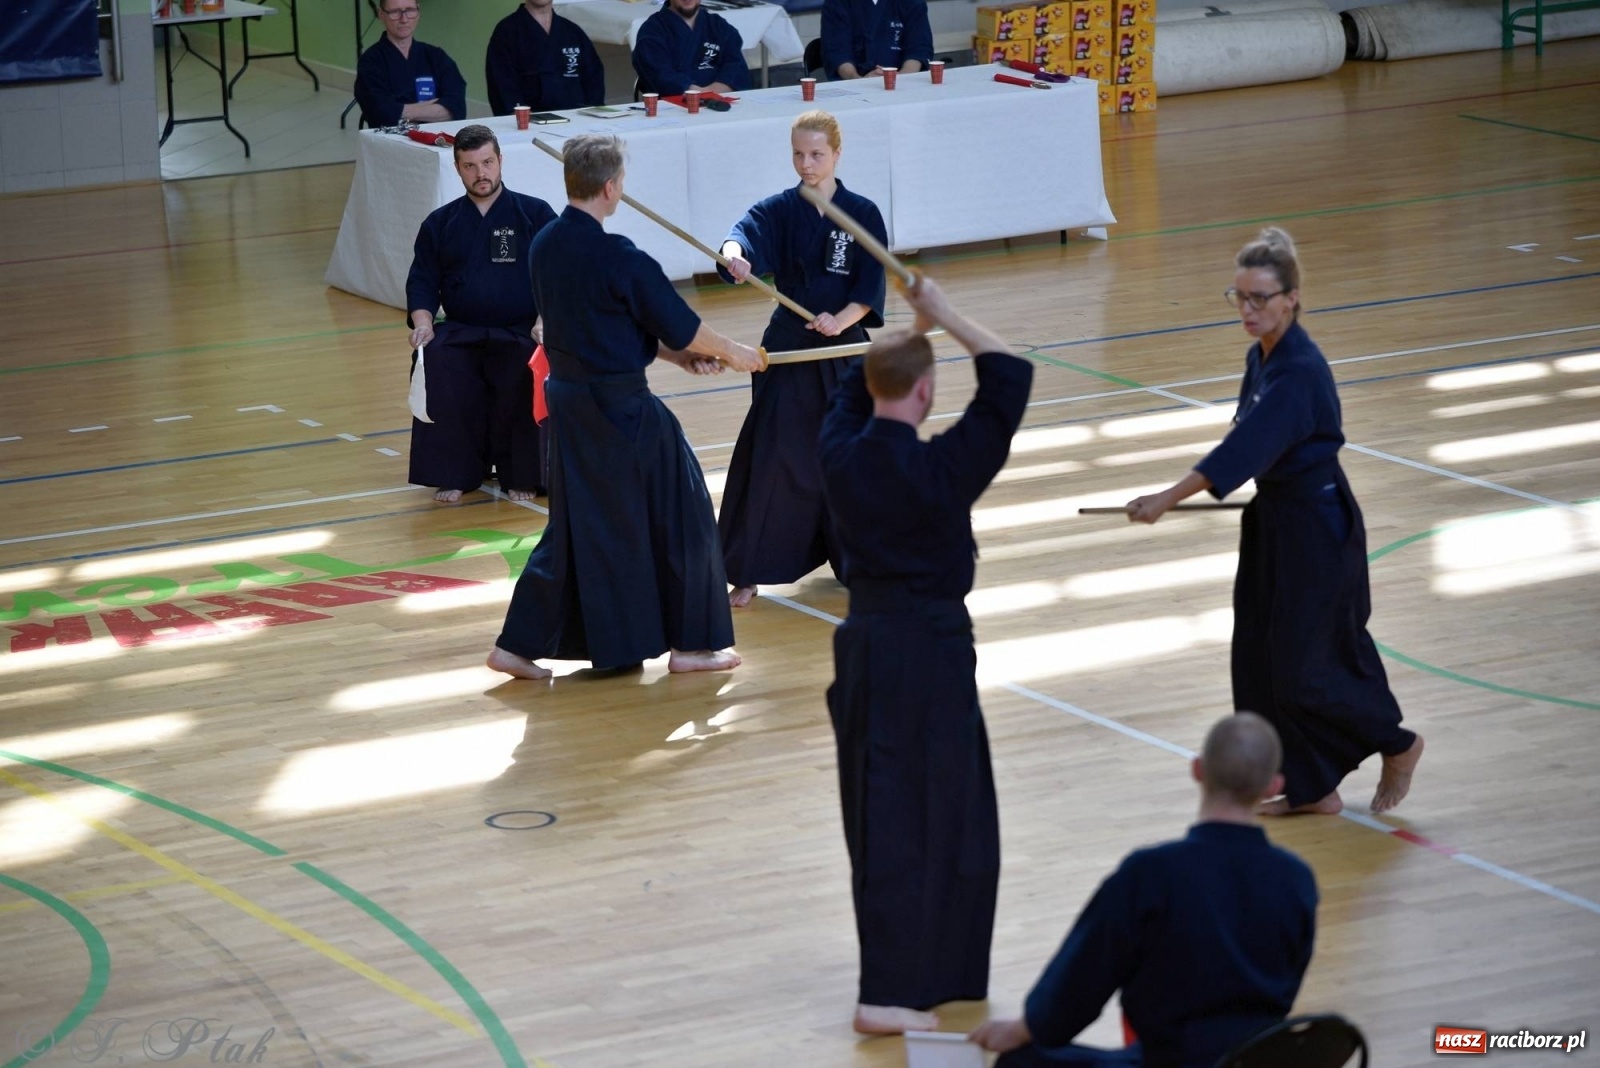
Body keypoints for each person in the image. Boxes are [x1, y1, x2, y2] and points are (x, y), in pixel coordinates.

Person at [1126, 228, 1424, 817]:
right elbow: (1243, 437)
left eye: (1260, 298)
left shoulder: (1299, 373)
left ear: (1292, 297)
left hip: (1317, 528)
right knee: (1258, 657)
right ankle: (1312, 788)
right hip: (1277, 522)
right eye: (1239, 297)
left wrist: (1168, 496)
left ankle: (1398, 742)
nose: (1248, 310)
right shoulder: (1259, 357)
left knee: (1304, 668)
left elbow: (1246, 450)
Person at [819, 273, 1033, 1035]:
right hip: (936, 654)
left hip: (869, 648)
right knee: (949, 811)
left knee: (883, 814)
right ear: (927, 394)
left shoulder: (840, 452)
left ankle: (914, 979)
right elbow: (1010, 377)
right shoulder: (943, 470)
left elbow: (856, 388)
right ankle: (899, 989)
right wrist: (941, 317)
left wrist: (898, 342)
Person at [488, 134, 764, 680]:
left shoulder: (544, 244)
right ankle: (692, 644)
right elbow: (683, 324)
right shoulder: (619, 255)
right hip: (620, 409)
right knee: (685, 511)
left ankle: (514, 647)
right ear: (612, 187)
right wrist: (735, 353)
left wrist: (675, 358)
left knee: (578, 526)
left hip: (569, 404)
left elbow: (603, 324)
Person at [969, 713, 1319, 1068]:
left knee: (1022, 1061)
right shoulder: (1297, 879)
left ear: (1198, 770)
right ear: (1273, 786)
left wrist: (1027, 1028)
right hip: (1254, 1062)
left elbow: (1080, 985)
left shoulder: (1151, 873)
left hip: (1170, 1061)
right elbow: (1286, 989)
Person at [716, 110, 887, 608]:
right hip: (790, 344)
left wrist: (843, 317)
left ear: (837, 153)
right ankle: (747, 569)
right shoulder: (779, 210)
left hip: (843, 346)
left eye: (816, 154)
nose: (806, 164)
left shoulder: (862, 212)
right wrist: (734, 254)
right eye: (798, 154)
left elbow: (870, 285)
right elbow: (741, 234)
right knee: (771, 454)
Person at [404, 125, 557, 503]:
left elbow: (558, 273)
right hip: (462, 328)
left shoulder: (534, 214)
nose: (481, 173)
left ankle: (522, 474)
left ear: (501, 161)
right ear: (457, 168)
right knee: (435, 359)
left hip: (521, 329)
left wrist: (545, 320)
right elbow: (421, 280)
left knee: (527, 365)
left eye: (487, 162)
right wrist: (423, 323)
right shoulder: (440, 223)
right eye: (470, 166)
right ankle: (455, 472)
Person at [354, 0, 467, 129]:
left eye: (409, 10)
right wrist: (431, 108)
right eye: (395, 12)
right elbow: (380, 113)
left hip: (437, 139)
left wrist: (401, 110)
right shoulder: (370, 62)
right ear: (381, 15)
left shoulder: (436, 56)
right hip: (390, 142)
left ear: (418, 12)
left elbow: (457, 107)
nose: (404, 19)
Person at [485, 0, 606, 117]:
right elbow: (501, 81)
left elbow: (594, 76)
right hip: (530, 120)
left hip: (576, 117)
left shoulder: (573, 31)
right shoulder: (506, 31)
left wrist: (591, 112)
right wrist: (519, 115)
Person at [631, 0, 751, 97]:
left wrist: (712, 91)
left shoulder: (718, 25)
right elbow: (658, 74)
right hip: (672, 108)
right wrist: (693, 92)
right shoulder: (653, 30)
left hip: (721, 101)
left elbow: (736, 66)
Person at [820, 0, 933, 80]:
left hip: (904, 85)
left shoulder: (912, 3)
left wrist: (902, 77)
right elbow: (837, 53)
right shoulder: (836, 3)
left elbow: (919, 49)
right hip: (854, 86)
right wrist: (858, 79)